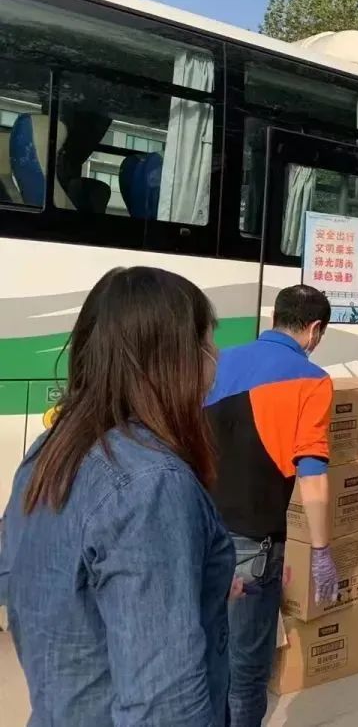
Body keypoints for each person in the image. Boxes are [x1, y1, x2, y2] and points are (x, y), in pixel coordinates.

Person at [0, 267, 234, 725]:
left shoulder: (51, 450)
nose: (216, 360)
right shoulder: (152, 484)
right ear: (174, 361)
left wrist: (191, 578)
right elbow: (164, 708)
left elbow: (26, 577)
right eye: (209, 343)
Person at [204, 285, 340, 726]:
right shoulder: (312, 380)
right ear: (314, 329)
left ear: (275, 317)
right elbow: (312, 474)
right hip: (252, 542)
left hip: (198, 532)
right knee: (246, 674)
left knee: (206, 657)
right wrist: (320, 550)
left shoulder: (218, 361)